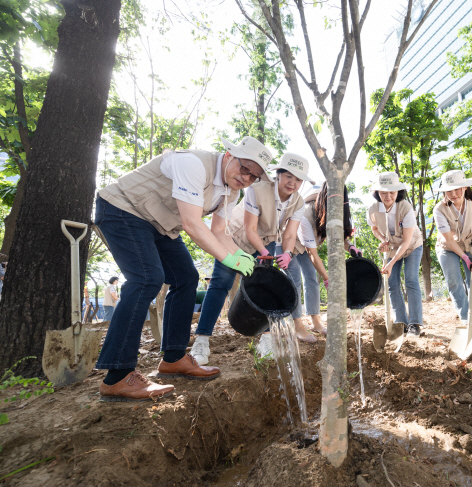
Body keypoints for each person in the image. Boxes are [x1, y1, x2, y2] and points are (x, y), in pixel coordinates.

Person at [94, 136, 270, 401]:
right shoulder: (194, 164)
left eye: (254, 176)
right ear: (228, 155)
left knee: (186, 278)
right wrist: (229, 260)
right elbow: (192, 224)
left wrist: (242, 257)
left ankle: (174, 358)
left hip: (158, 224)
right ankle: (117, 376)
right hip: (123, 209)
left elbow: (220, 232)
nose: (246, 178)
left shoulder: (231, 191)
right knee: (146, 279)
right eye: (245, 168)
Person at [192, 152, 314, 363]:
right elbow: (250, 229)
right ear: (279, 175)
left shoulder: (298, 202)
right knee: (222, 282)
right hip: (235, 238)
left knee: (266, 285)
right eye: (288, 177)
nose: (292, 183)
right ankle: (201, 340)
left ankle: (266, 337)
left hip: (264, 241)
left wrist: (286, 253)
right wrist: (265, 253)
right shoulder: (256, 190)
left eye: (298, 179)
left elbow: (290, 234)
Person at [292, 181, 362, 336]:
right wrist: (327, 278)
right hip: (287, 242)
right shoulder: (306, 215)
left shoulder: (336, 213)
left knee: (311, 279)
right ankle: (297, 325)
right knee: (294, 278)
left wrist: (350, 246)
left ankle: (316, 321)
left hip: (306, 245)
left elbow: (340, 237)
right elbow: (312, 253)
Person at [433, 169, 472, 324]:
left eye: (457, 189)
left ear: (465, 188)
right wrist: (464, 257)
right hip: (447, 247)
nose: (453, 194)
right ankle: (465, 317)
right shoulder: (439, 209)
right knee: (454, 281)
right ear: (444, 192)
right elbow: (449, 239)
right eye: (449, 191)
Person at [368, 172, 424, 337]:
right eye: (383, 192)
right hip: (393, 246)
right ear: (378, 193)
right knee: (392, 282)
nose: (388, 196)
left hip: (412, 245)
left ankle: (414, 324)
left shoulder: (405, 207)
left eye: (391, 192)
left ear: (397, 192)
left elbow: (406, 241)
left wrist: (391, 263)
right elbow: (375, 229)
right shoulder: (373, 209)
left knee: (411, 280)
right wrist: (383, 240)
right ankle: (401, 323)